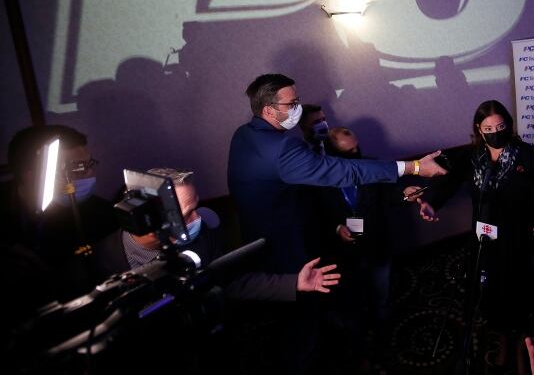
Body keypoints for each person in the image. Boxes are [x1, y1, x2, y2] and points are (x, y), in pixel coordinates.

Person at [227, 73, 446, 374]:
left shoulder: (243, 135)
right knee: (303, 328)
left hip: (267, 246)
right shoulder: (283, 150)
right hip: (290, 254)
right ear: (268, 110)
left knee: (304, 320)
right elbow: (342, 173)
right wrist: (415, 166)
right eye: (292, 104)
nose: (298, 108)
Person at [409, 100, 534, 374]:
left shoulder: (527, 154)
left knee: (522, 287)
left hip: (520, 233)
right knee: (489, 287)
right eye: (488, 128)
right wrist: (431, 203)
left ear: (509, 126)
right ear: (479, 129)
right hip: (484, 235)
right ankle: (501, 334)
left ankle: (524, 341)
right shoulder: (471, 156)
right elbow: (449, 184)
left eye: (501, 126)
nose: (495, 132)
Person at [94, 168, 341, 301]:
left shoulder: (200, 239)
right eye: (188, 213)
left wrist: (294, 282)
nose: (198, 218)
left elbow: (228, 282)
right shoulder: (100, 260)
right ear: (149, 217)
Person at [2, 125, 118, 300]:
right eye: (77, 167)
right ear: (32, 176)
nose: (89, 173)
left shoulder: (100, 214)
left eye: (90, 163)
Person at [318, 126, 396, 370]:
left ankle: (383, 345)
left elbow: (391, 196)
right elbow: (314, 216)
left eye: (357, 147)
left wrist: (408, 193)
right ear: (333, 154)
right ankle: (359, 351)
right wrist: (336, 228)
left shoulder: (370, 166)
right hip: (344, 256)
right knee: (351, 305)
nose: (357, 153)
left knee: (381, 300)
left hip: (377, 246)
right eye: (349, 151)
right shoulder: (318, 177)